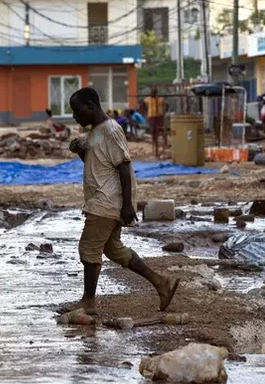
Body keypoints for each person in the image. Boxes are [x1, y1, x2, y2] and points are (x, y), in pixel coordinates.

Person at [65, 87, 180, 314]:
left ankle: (88, 302)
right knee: (113, 249)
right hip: (104, 200)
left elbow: (124, 165)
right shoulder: (97, 132)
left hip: (106, 202)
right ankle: (161, 283)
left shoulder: (111, 130)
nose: (74, 116)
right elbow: (99, 164)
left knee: (88, 248)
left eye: (77, 111)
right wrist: (81, 150)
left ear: (91, 106)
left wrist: (128, 204)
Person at [144, 88, 167, 157]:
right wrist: (146, 111)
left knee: (160, 130)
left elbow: (166, 104)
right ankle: (155, 147)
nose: (152, 94)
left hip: (159, 117)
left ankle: (163, 145)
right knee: (153, 131)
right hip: (151, 117)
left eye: (154, 93)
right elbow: (143, 104)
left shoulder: (160, 99)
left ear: (156, 93)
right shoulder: (148, 99)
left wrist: (164, 112)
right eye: (152, 92)